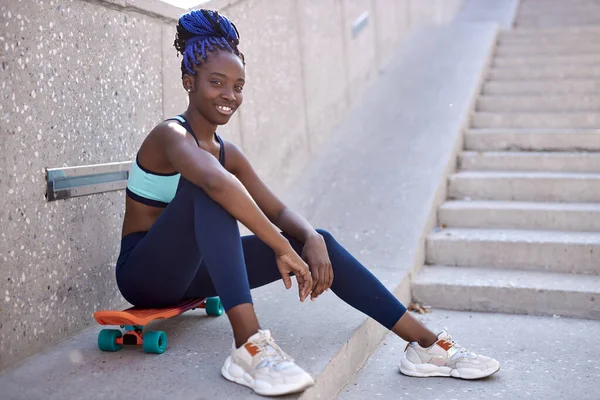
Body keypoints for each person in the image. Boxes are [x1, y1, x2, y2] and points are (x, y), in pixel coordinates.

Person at [115, 9, 500, 397]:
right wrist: (280, 247)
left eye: (238, 86)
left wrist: (309, 238)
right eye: (217, 83)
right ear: (188, 82)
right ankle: (248, 347)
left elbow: (278, 211)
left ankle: (425, 346)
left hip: (193, 275)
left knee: (318, 242)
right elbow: (216, 184)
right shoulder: (170, 136)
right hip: (145, 275)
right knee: (208, 188)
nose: (229, 96)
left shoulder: (225, 151)